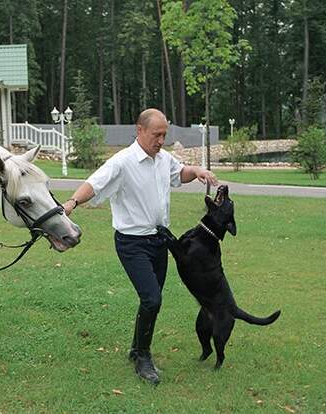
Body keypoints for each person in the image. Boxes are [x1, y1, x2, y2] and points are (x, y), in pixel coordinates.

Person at [63, 108, 218, 385]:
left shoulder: (163, 158)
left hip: (160, 241)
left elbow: (178, 173)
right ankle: (143, 358)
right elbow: (94, 184)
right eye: (156, 134)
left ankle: (136, 349)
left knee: (151, 299)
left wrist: (196, 171)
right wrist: (72, 203)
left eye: (164, 135)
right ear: (140, 130)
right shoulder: (122, 162)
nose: (161, 140)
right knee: (152, 299)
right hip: (132, 243)